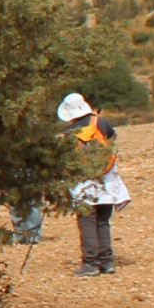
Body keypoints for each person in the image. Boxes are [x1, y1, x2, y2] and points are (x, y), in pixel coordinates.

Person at [57, 92, 131, 276]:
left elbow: (69, 160)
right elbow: (113, 139)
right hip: (107, 179)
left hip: (84, 183)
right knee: (103, 222)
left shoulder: (71, 132)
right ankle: (107, 262)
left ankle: (90, 263)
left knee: (87, 221)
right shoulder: (101, 123)